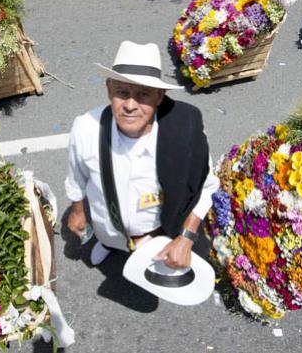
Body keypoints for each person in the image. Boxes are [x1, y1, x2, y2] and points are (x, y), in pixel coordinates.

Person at [65, 40, 220, 270]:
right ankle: (110, 245)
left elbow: (206, 186)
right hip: (107, 229)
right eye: (122, 92)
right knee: (108, 237)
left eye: (143, 95)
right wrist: (77, 211)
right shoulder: (85, 128)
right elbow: (76, 175)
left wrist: (186, 236)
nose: (130, 105)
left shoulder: (185, 132)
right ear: (108, 89)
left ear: (160, 96)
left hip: (156, 233)